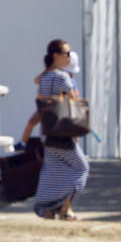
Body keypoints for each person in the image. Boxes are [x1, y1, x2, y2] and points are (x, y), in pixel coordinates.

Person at [25, 39, 90, 220]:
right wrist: (76, 130)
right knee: (81, 167)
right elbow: (73, 101)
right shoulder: (63, 78)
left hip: (47, 130)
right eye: (66, 53)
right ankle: (64, 209)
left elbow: (38, 92)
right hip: (63, 131)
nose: (69, 57)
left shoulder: (45, 77)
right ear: (56, 56)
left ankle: (47, 208)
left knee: (53, 170)